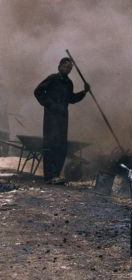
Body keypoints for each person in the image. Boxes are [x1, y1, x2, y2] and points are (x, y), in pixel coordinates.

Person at [34, 57, 90, 185]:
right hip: (51, 118)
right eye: (65, 67)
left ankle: (56, 175)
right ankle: (48, 177)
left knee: (60, 147)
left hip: (63, 118)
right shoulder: (53, 78)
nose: (67, 69)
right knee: (50, 145)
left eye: (70, 68)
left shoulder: (69, 83)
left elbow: (72, 99)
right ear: (59, 67)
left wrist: (84, 92)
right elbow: (38, 91)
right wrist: (50, 105)